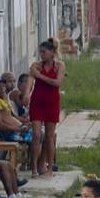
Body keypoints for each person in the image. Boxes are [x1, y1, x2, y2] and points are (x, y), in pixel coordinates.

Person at [29, 38, 65, 178]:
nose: (41, 55)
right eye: (40, 52)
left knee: (50, 136)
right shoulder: (36, 66)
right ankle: (34, 167)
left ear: (52, 52)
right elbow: (31, 81)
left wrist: (40, 76)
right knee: (36, 134)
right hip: (37, 102)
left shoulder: (60, 66)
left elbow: (57, 83)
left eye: (44, 52)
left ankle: (49, 167)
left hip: (52, 103)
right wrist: (26, 94)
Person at [0, 79, 31, 143]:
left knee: (39, 134)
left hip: (17, 130)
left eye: (3, 86)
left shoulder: (4, 101)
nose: (2, 89)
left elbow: (13, 117)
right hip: (8, 134)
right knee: (36, 137)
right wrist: (18, 129)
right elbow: (1, 126)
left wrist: (25, 123)